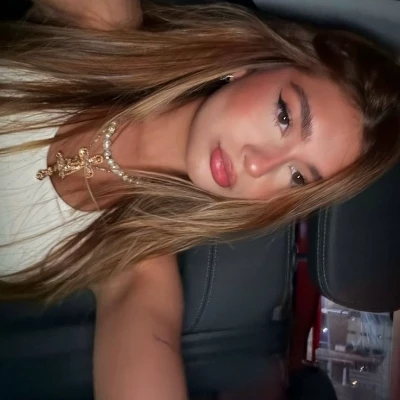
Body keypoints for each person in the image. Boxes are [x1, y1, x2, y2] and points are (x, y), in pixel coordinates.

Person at [0, 0, 399, 398]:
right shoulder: (103, 21)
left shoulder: (136, 268)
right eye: (284, 115)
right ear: (251, 65)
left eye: (297, 176)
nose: (258, 164)